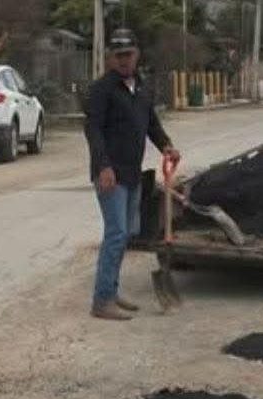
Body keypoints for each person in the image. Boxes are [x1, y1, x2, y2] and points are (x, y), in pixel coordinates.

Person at [84, 28, 180, 320]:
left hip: (132, 173)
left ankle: (111, 291)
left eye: (128, 54)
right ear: (111, 57)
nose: (124, 60)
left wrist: (166, 145)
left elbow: (151, 123)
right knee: (116, 234)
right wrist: (103, 166)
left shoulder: (143, 88)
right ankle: (102, 301)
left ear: (137, 54)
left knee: (129, 233)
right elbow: (93, 129)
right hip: (110, 174)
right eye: (118, 55)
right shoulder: (102, 89)